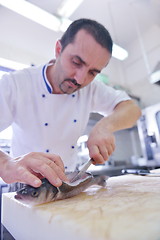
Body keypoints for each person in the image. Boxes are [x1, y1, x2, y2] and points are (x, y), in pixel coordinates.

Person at [0, 18, 141, 188]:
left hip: (68, 184)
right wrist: (6, 164)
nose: (80, 79)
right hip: (25, 185)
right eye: (76, 62)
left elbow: (133, 109)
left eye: (93, 72)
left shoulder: (91, 89)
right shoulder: (15, 84)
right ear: (58, 49)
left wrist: (105, 127)